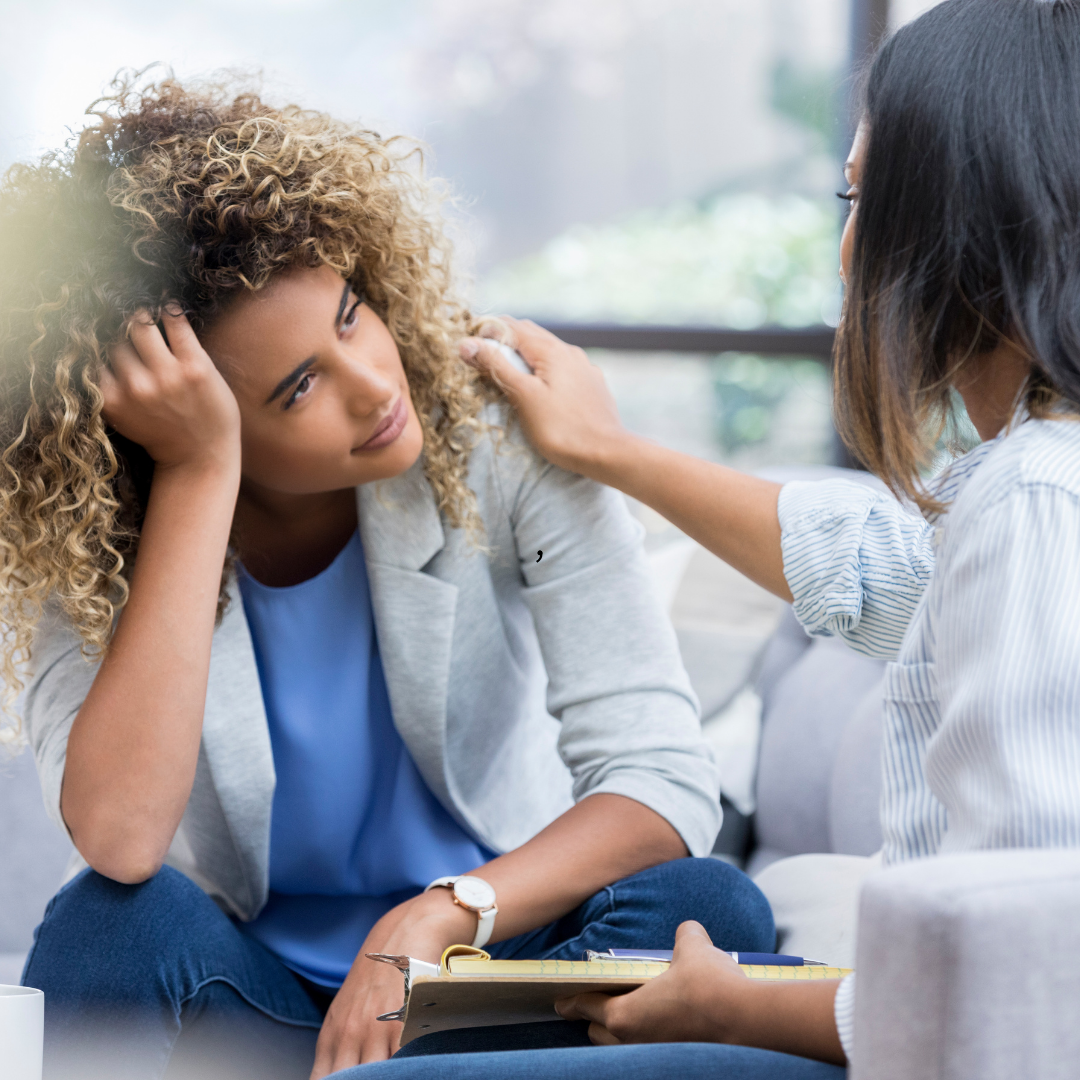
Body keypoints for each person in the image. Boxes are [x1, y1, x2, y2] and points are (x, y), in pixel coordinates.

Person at [346, 0, 1080, 1076]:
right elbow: (891, 573)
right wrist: (610, 451)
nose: (844, 255)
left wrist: (732, 1010)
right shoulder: (1023, 494)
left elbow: (1019, 978)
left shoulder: (1035, 497)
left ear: (964, 219)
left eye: (861, 198)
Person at [1, 77, 775, 1080]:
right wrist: (198, 477)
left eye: (353, 315)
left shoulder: (499, 434)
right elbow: (120, 839)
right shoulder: (96, 532)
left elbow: (662, 779)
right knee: (103, 927)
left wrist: (440, 916)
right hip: (258, 1001)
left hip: (492, 982)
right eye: (298, 386)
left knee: (708, 908)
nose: (375, 383)